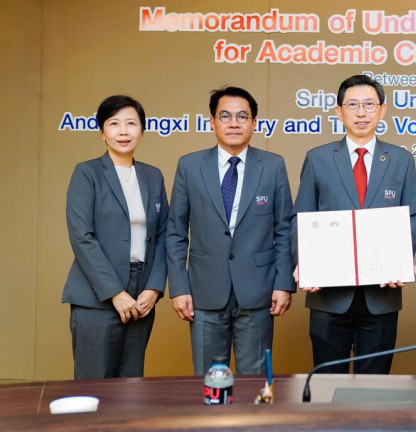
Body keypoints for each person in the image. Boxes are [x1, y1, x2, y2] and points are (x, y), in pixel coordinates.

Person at [291, 74, 416, 374]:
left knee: (374, 387)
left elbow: (414, 217)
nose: (361, 112)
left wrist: (401, 259)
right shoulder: (318, 158)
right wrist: (304, 263)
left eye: (369, 105)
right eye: (352, 105)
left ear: (382, 110)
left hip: (381, 295)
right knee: (327, 382)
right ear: (338, 112)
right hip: (328, 296)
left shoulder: (401, 160)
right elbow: (301, 218)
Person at [166, 86, 293, 375]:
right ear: (212, 122)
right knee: (209, 380)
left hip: (258, 291)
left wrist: (283, 283)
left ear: (254, 123)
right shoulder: (189, 166)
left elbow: (284, 229)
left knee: (255, 381)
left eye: (242, 116)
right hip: (204, 292)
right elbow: (175, 233)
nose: (234, 123)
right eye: (225, 116)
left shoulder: (273, 166)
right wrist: (179, 287)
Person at [63, 95, 168, 379]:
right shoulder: (87, 173)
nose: (123, 131)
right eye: (114, 124)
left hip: (141, 296)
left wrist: (153, 289)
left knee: (131, 387)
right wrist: (115, 293)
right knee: (94, 385)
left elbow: (163, 237)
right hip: (97, 296)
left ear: (142, 131)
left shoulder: (153, 176)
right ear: (102, 132)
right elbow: (82, 237)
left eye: (131, 123)